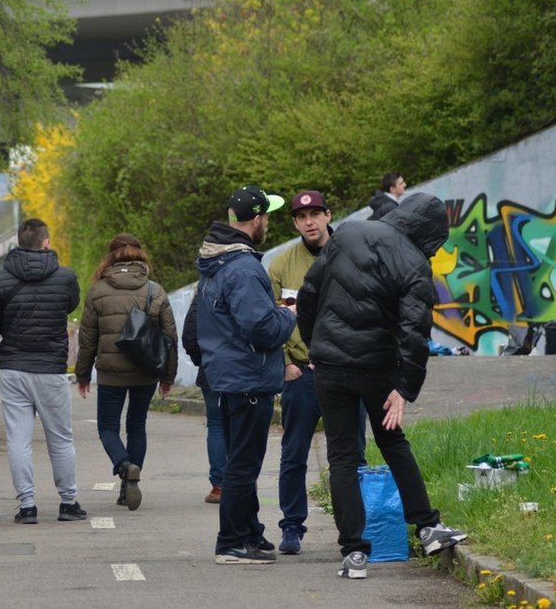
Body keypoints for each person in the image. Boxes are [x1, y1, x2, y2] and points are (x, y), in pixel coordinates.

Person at [296, 192, 467, 580]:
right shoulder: (416, 264)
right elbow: (414, 332)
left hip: (329, 366)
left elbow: (309, 293)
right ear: (431, 233)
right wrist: (404, 388)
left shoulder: (348, 233)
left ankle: (354, 553)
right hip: (377, 368)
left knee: (342, 456)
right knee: (392, 442)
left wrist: (314, 345)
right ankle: (427, 526)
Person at [196, 185, 297, 565]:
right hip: (248, 377)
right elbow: (262, 329)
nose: (267, 222)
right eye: (266, 216)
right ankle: (232, 542)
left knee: (243, 459)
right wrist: (288, 314)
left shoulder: (216, 262)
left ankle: (250, 532)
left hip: (228, 374)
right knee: (243, 463)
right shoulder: (243, 267)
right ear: (256, 219)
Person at [269, 190, 366, 555]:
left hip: (346, 368)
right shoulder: (280, 266)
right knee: (294, 452)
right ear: (294, 223)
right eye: (301, 216)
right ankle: (292, 526)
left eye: (315, 214)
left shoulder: (353, 253)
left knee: (352, 453)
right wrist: (285, 365)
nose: (309, 222)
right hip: (302, 373)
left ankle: (354, 530)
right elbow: (269, 319)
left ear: (328, 215)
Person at [0, 218, 85, 524]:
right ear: (47, 242)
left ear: (18, 244)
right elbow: (69, 305)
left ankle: (27, 506)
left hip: (14, 369)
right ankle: (68, 503)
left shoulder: (0, 279)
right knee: (61, 439)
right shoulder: (66, 277)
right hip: (51, 369)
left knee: (18, 439)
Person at [75, 234, 178, 511]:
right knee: (136, 426)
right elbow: (170, 336)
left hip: (111, 373)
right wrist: (168, 377)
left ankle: (124, 466)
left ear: (110, 258)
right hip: (146, 370)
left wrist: (82, 374)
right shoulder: (155, 291)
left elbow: (87, 339)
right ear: (141, 256)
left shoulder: (98, 290)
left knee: (108, 428)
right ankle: (128, 486)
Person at [182, 292, 225, 504]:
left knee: (216, 426)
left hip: (211, 371)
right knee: (241, 425)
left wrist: (202, 360)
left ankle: (219, 487)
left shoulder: (204, 293)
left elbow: (189, 334)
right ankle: (242, 482)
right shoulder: (245, 284)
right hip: (243, 371)